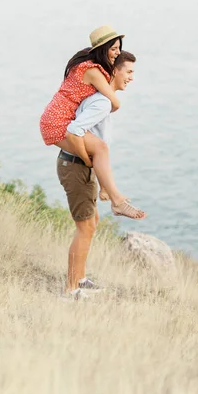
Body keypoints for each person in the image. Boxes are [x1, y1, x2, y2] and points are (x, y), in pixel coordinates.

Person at [57, 51, 143, 298]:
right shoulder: (102, 102)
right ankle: (71, 290)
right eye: (128, 72)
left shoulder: (103, 100)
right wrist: (86, 160)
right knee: (84, 227)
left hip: (81, 166)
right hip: (74, 165)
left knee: (91, 224)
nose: (131, 78)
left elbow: (95, 145)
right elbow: (75, 131)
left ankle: (80, 279)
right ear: (114, 71)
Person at [40, 25, 143, 219]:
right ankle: (117, 201)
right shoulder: (93, 71)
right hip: (56, 121)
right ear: (103, 49)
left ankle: (109, 193)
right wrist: (87, 160)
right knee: (101, 148)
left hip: (55, 118)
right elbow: (113, 101)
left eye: (119, 48)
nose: (117, 53)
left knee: (100, 146)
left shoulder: (90, 66)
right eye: (114, 49)